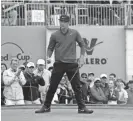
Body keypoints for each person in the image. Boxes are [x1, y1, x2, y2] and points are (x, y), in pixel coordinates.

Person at [35, 15, 93, 114]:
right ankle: (46, 107)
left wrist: (82, 58)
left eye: (65, 22)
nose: (62, 24)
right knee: (53, 86)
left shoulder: (74, 33)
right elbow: (50, 48)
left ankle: (82, 108)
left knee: (77, 87)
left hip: (72, 64)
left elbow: (82, 45)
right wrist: (48, 57)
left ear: (68, 22)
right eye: (61, 21)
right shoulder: (54, 35)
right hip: (59, 64)